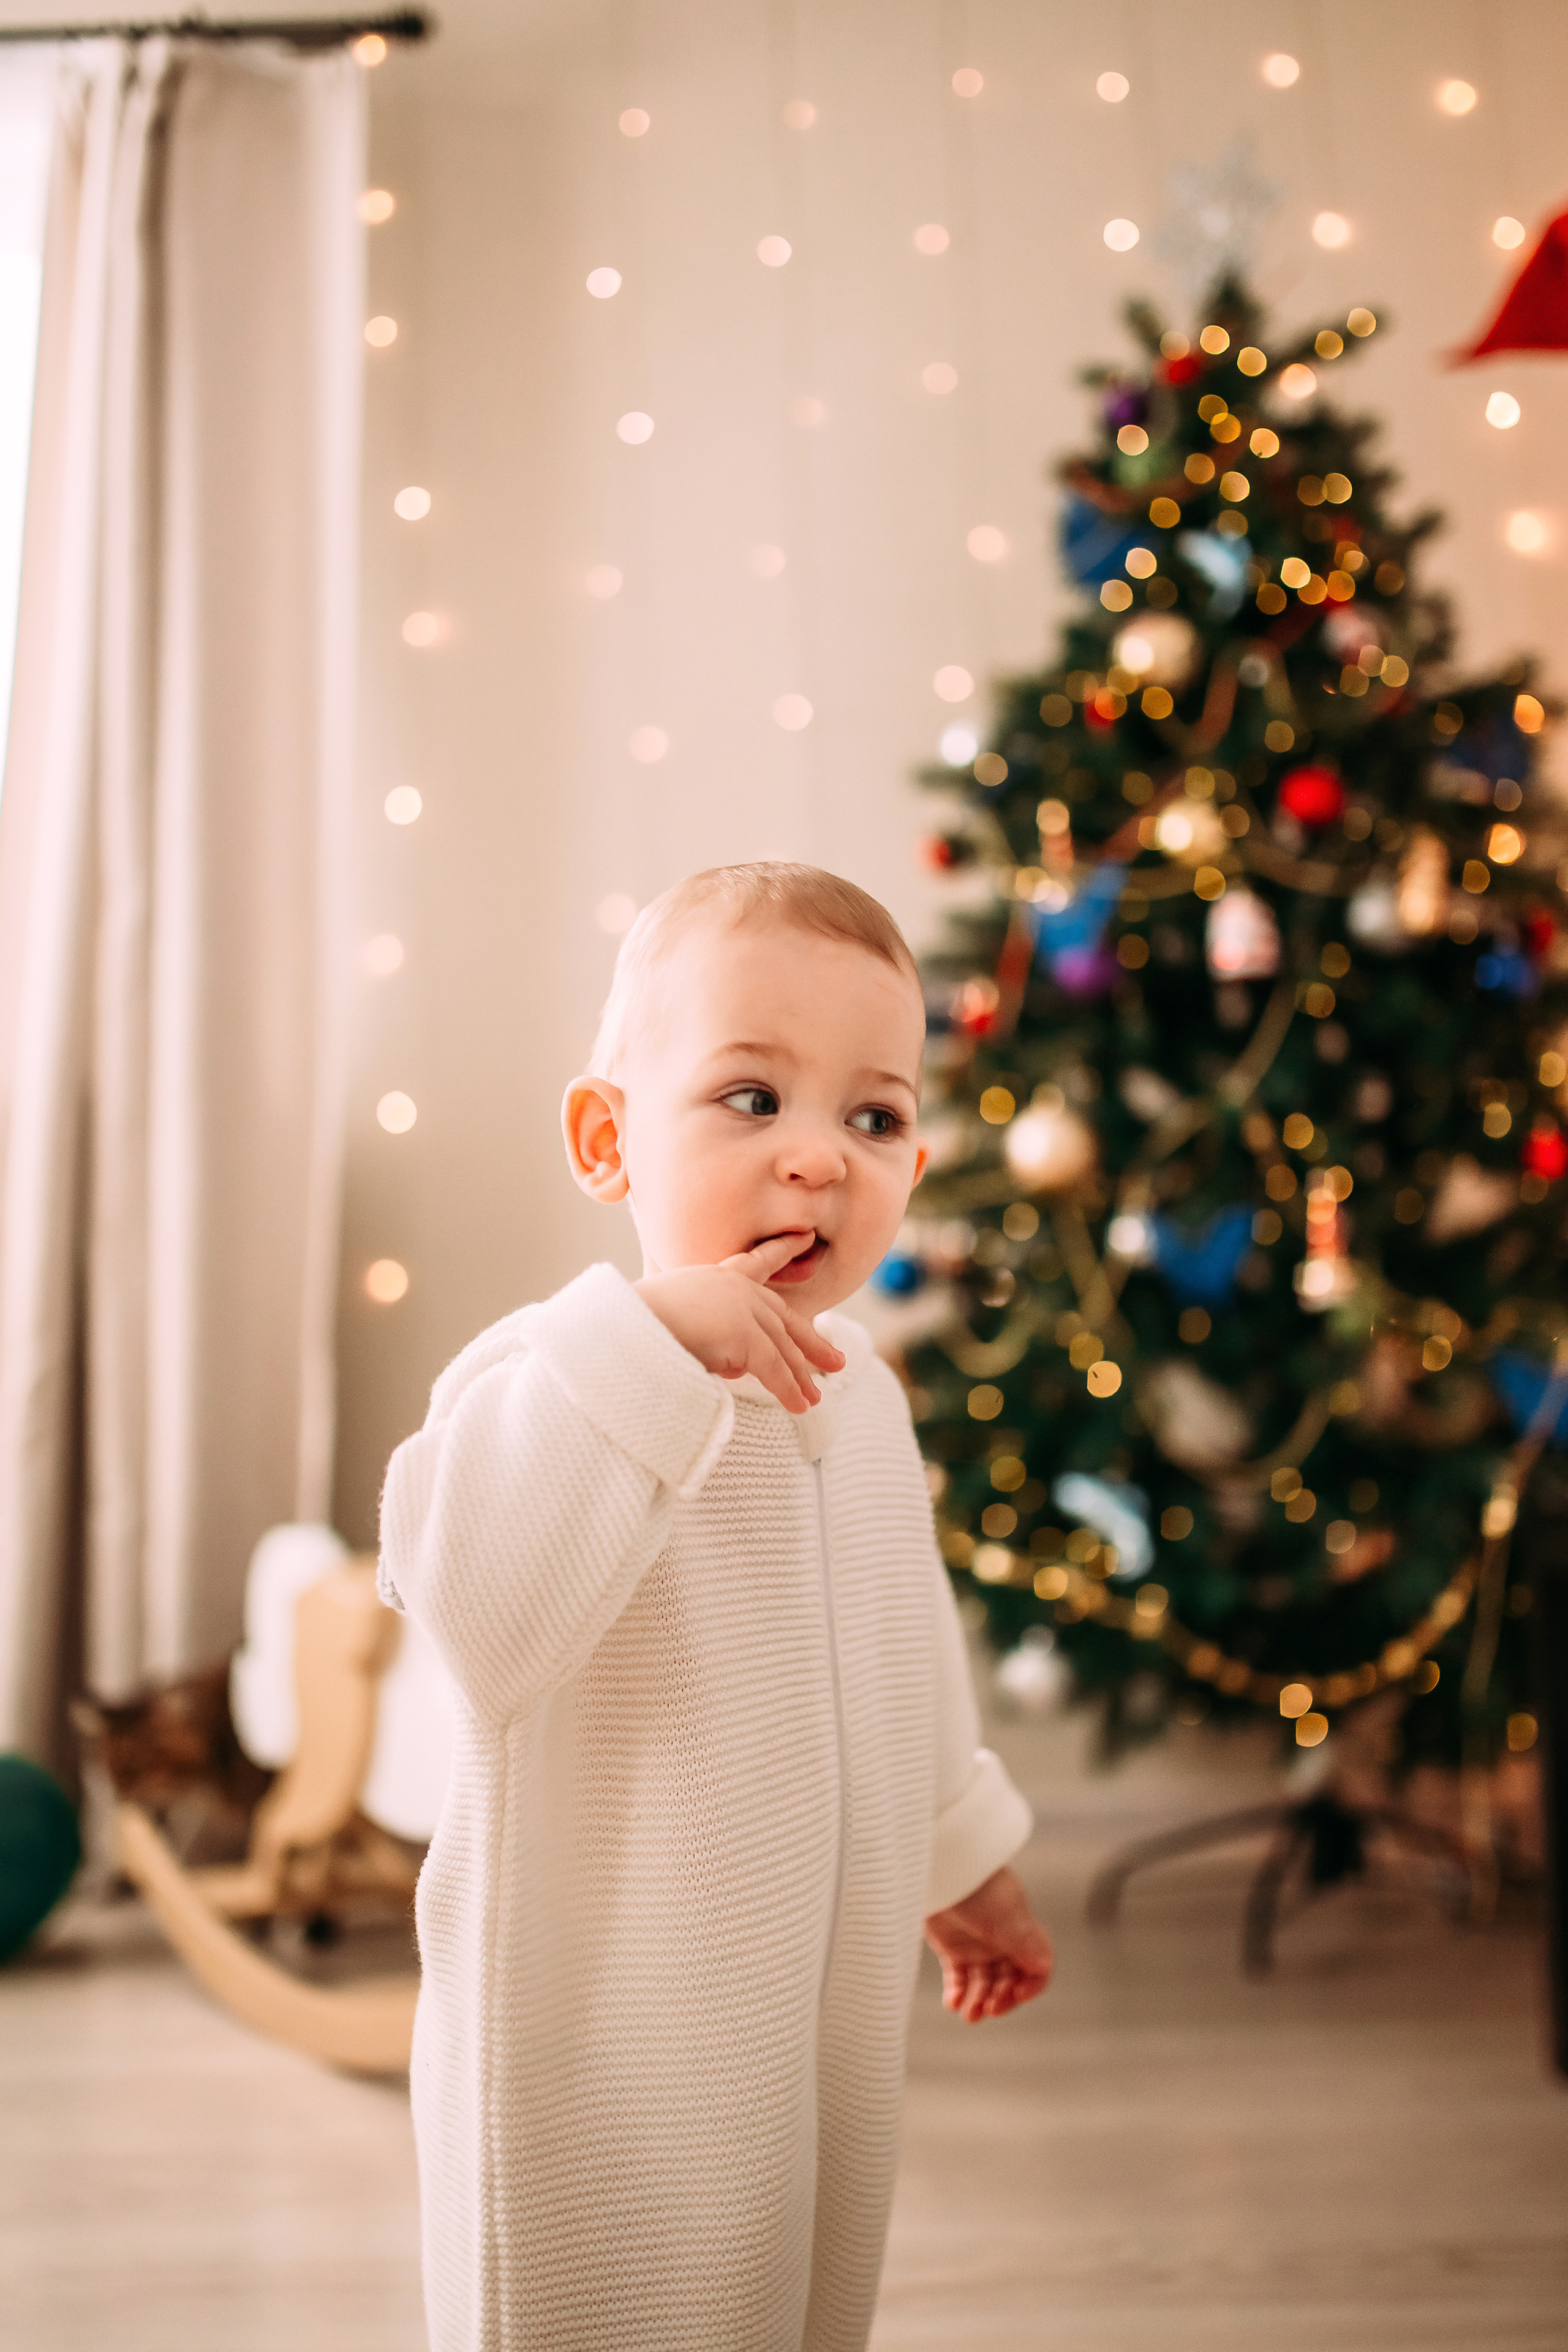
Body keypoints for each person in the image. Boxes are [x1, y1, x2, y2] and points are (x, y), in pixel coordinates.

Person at [379, 862, 1054, 2352]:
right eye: (752, 1099)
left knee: (793, 2289)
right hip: (605, 2026)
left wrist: (959, 1851)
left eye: (870, 1118)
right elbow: (480, 1610)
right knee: (611, 2298)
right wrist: (639, 1353)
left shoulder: (859, 1399)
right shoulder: (548, 1377)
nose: (817, 1159)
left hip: (813, 2019)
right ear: (607, 1141)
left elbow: (901, 1651)